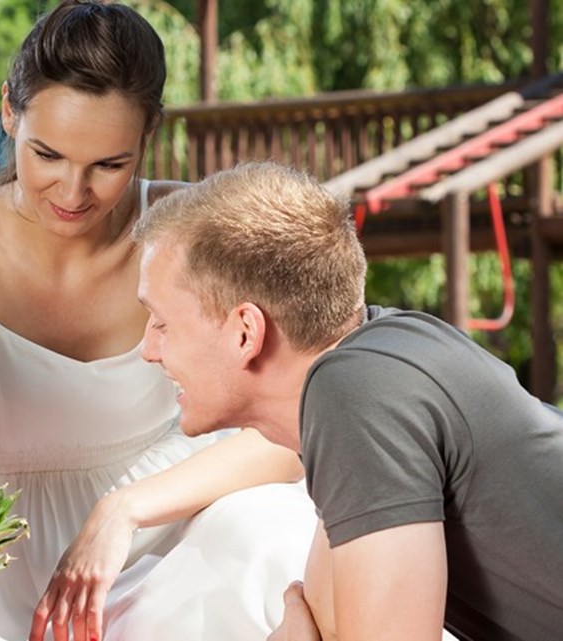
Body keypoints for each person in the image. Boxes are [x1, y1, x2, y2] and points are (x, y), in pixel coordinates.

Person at [0, 2, 316, 639]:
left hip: (177, 537)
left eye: (109, 166)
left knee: (266, 540)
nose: (72, 192)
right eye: (47, 155)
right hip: (9, 577)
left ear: (148, 136)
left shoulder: (188, 225)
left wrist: (122, 511)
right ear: (9, 111)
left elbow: (296, 430)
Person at [133, 160, 563, 641]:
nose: (149, 350)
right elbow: (326, 623)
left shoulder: (357, 394)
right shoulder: (381, 354)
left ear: (244, 333)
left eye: (162, 324)